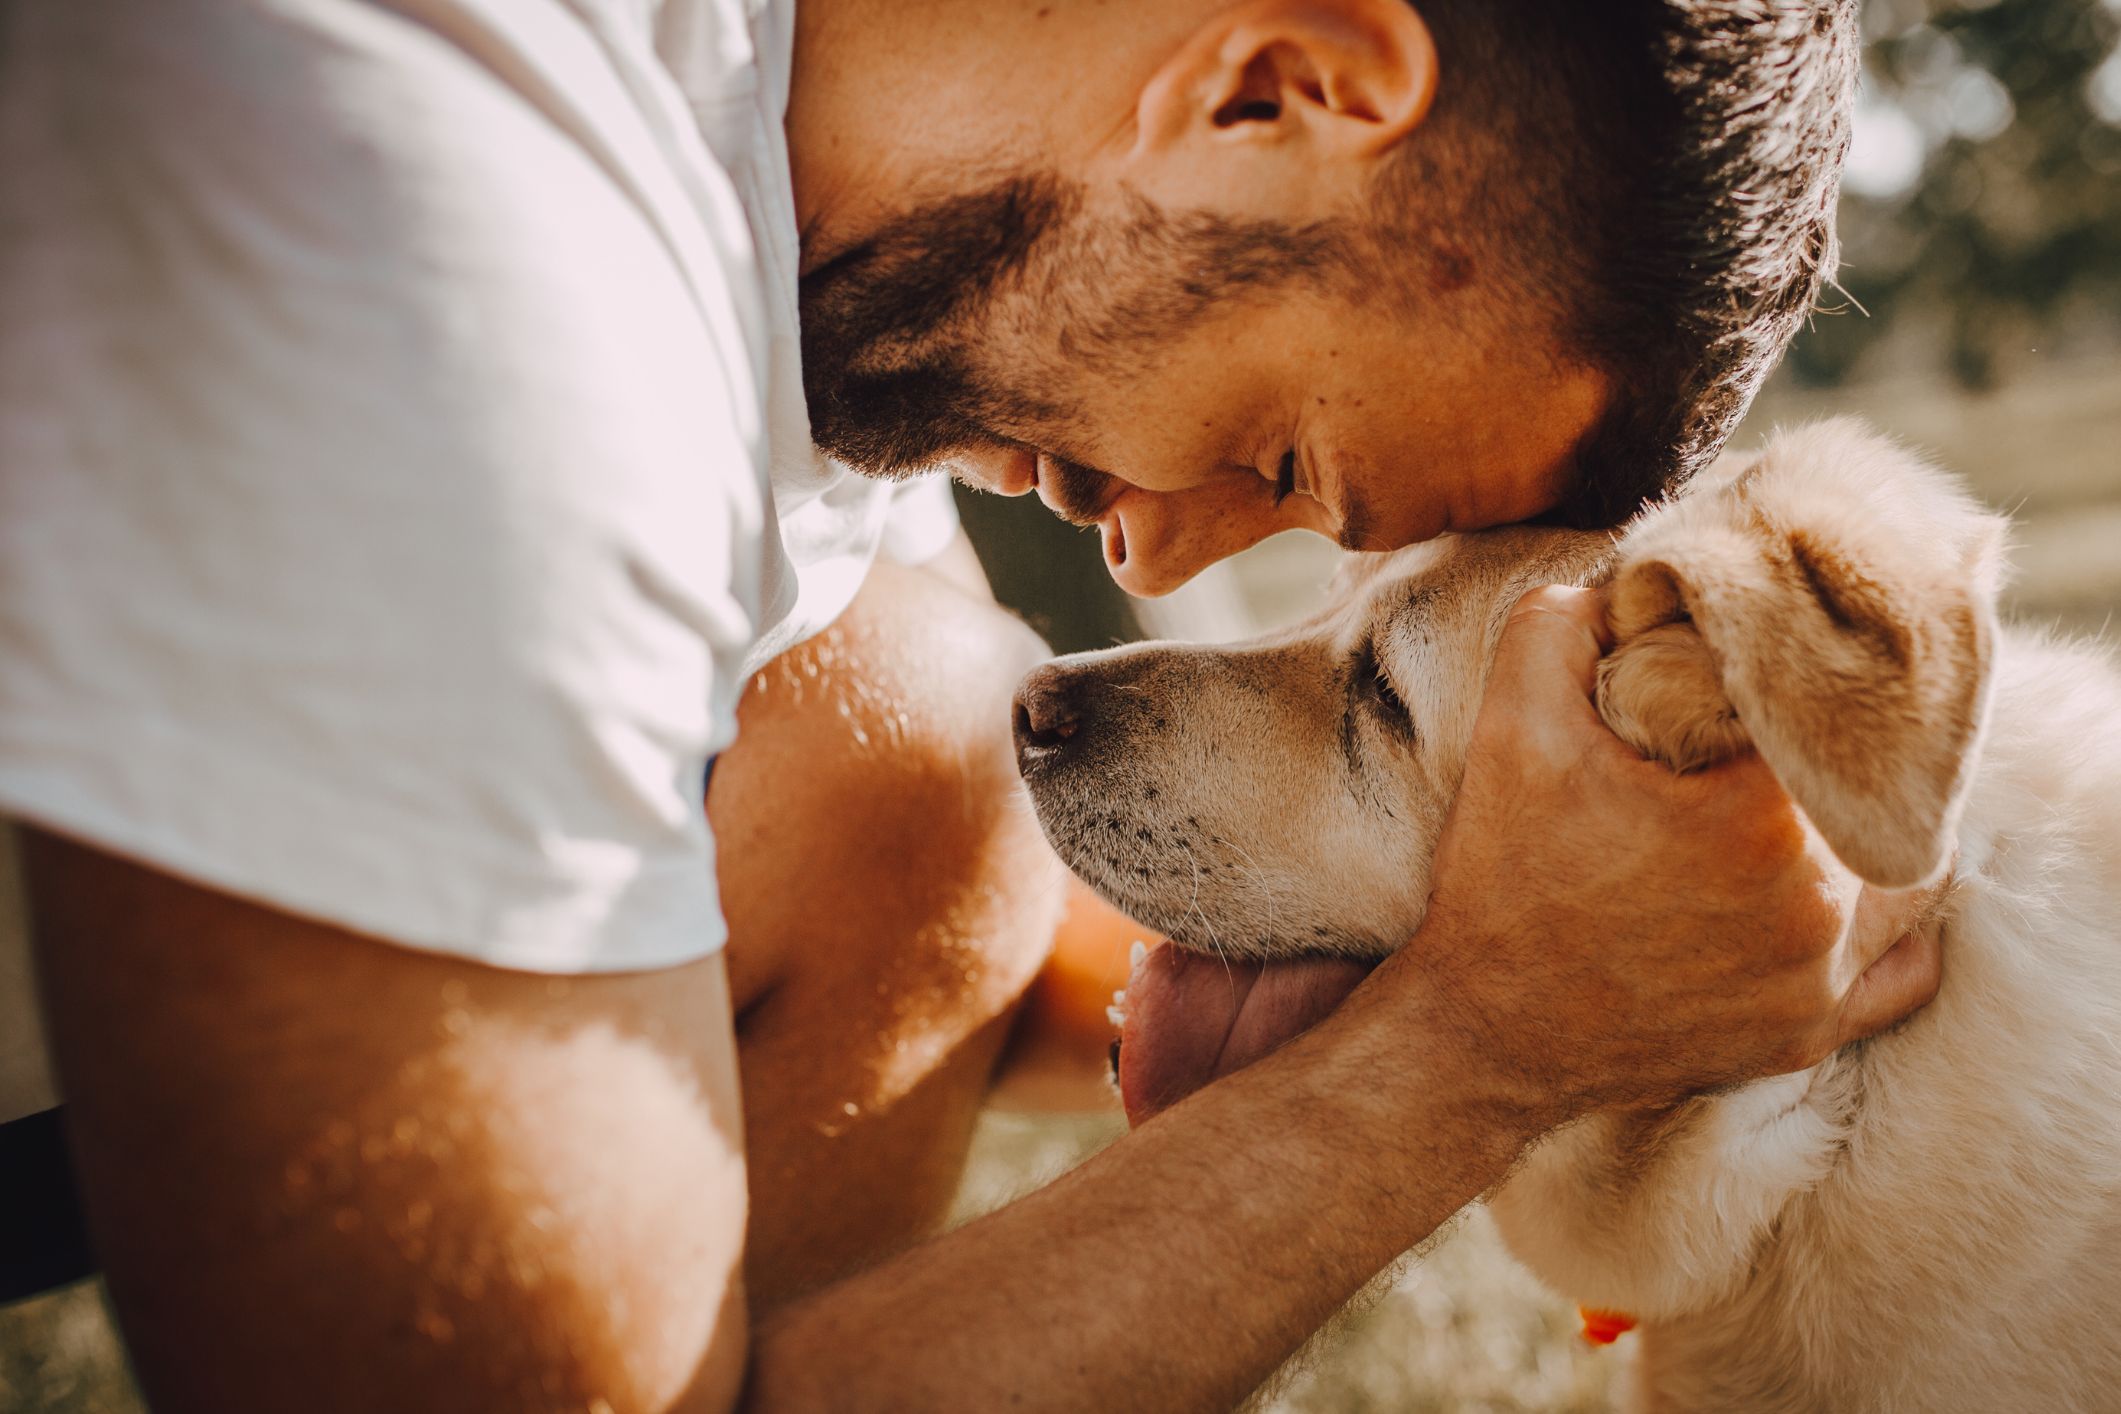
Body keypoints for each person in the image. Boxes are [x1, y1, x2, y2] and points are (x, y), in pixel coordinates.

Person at [0, 0, 1937, 1409]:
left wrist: (1595, 939)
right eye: (1280, 452)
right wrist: (1482, 1044)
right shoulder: (440, 234)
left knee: (911, 736)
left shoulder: (788, 215)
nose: (1157, 551)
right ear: (1275, 87)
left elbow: (959, 909)